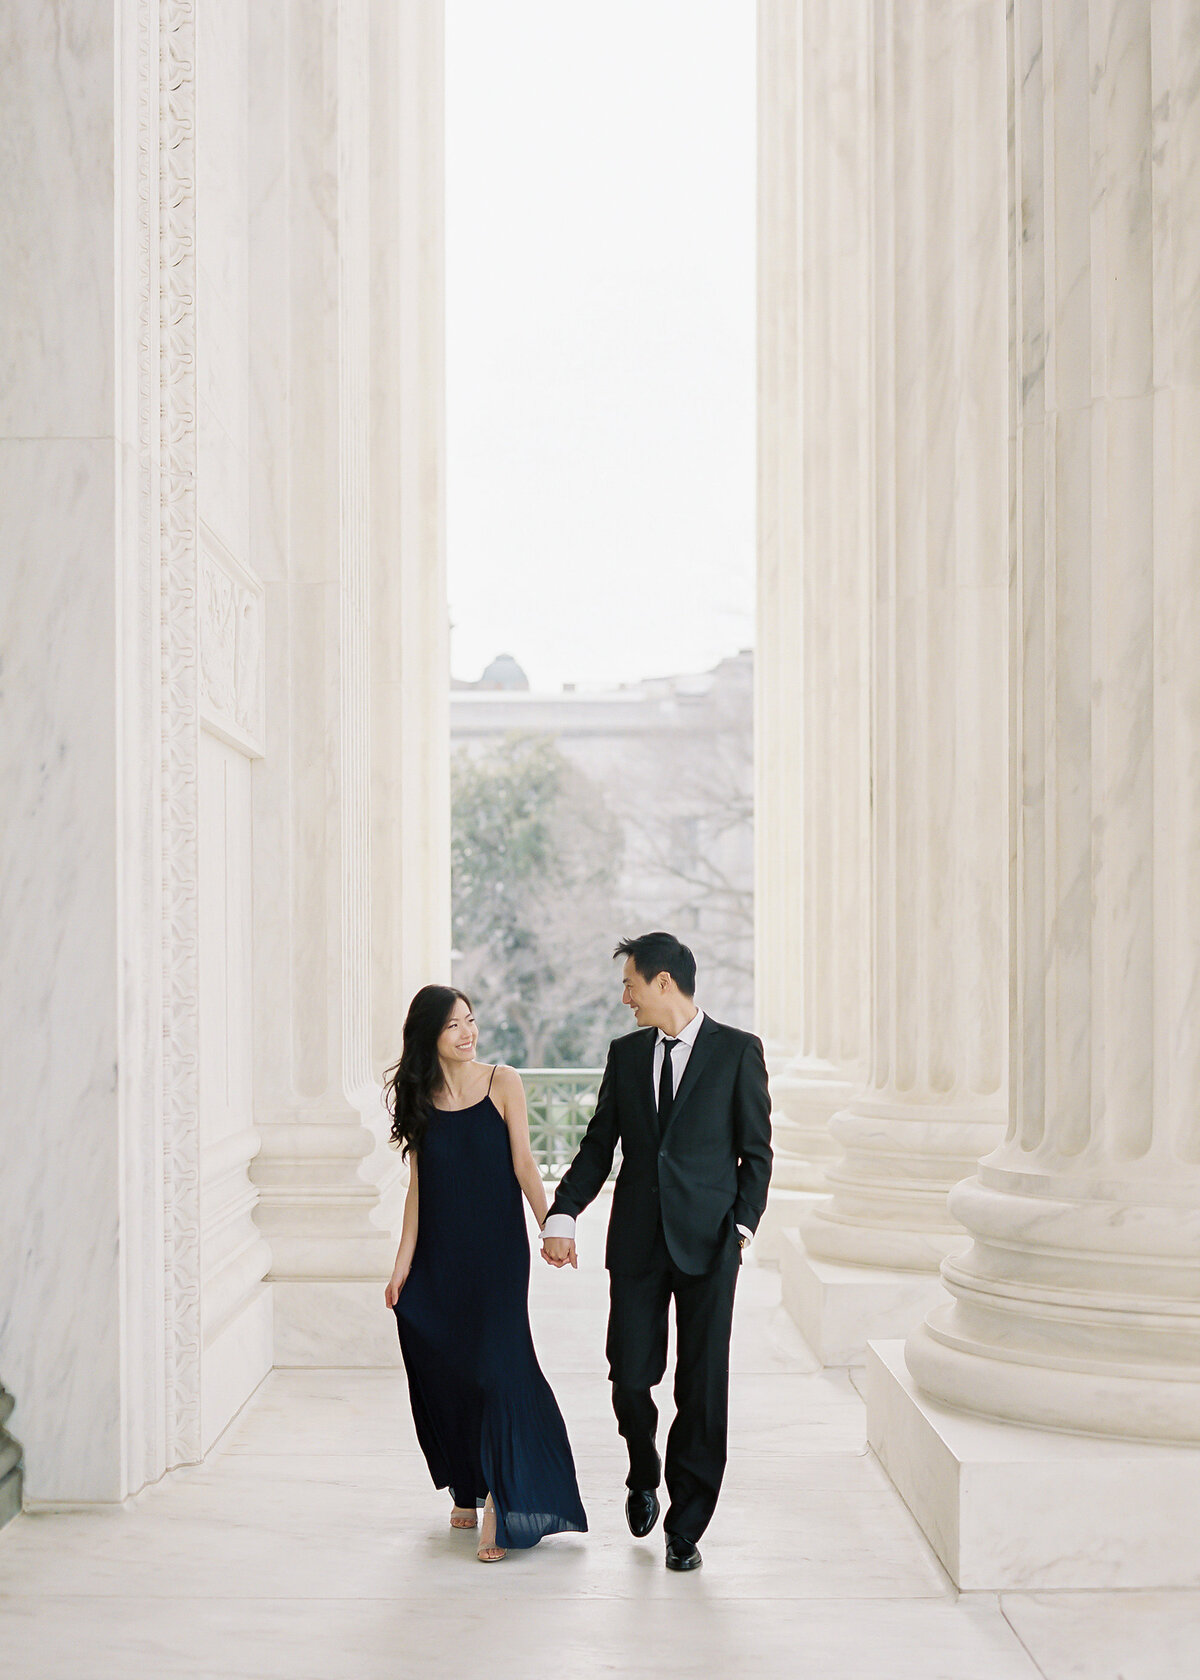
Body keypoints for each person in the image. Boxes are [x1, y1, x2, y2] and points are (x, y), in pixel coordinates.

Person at [541, 932, 772, 1572]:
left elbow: (757, 1153)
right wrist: (564, 1210)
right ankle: (643, 1466)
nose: (625, 998)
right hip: (639, 1242)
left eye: (631, 985)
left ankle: (686, 1525)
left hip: (711, 1246)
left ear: (663, 982)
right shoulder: (625, 1055)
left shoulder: (737, 1052)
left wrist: (742, 1229)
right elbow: (597, 1146)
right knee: (630, 1375)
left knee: (702, 1389)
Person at [384, 985, 587, 1562]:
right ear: (430, 1036)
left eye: (471, 1021)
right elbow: (418, 1190)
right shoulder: (421, 1097)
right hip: (439, 1255)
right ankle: (465, 1487)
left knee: (499, 1368)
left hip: (497, 1253)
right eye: (454, 1026)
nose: (468, 1033)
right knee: (446, 1367)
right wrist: (401, 1266)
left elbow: (525, 1161)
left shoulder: (504, 1082)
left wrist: (553, 1225)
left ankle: (502, 1495)